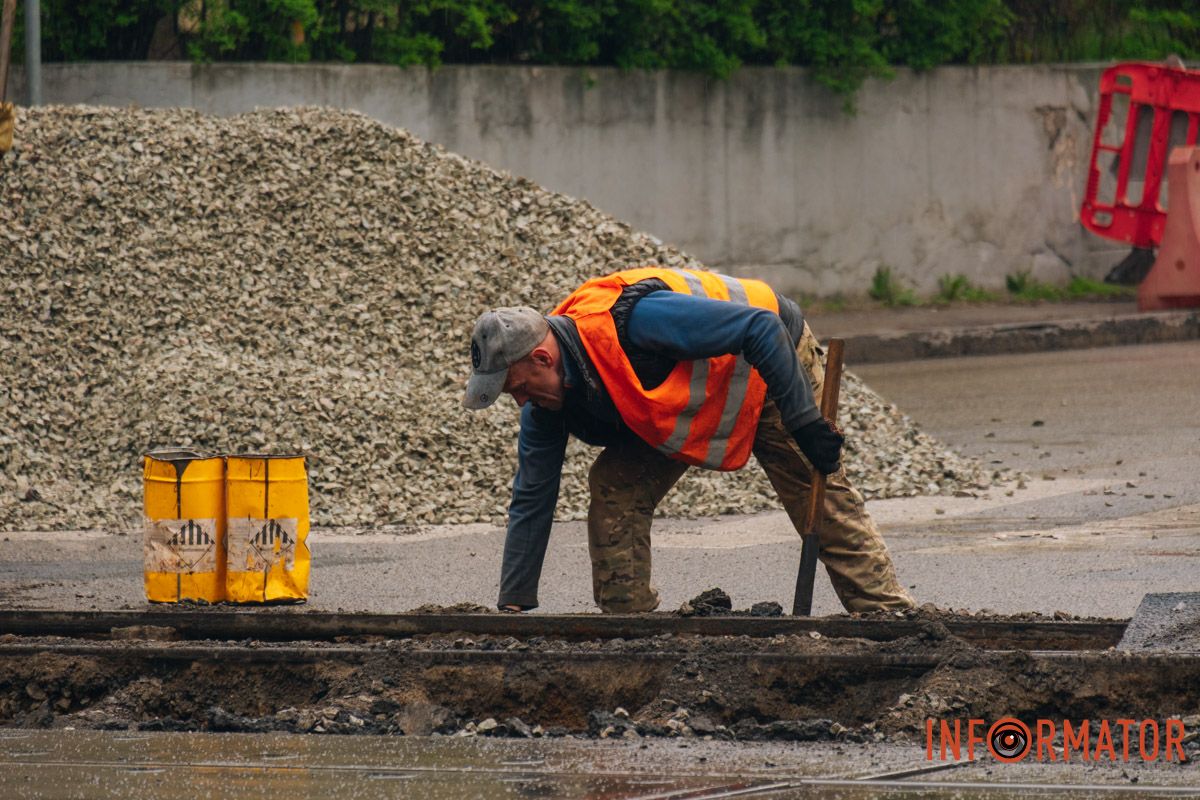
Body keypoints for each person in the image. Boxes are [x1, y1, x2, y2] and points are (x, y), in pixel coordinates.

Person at [463, 266, 914, 614]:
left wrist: (805, 424)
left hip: (772, 365)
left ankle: (889, 618)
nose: (520, 402)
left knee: (815, 492)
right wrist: (514, 601)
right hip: (692, 393)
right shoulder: (546, 399)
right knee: (616, 485)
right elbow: (533, 494)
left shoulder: (634, 322)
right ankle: (630, 627)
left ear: (541, 358)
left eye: (517, 387)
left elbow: (761, 329)